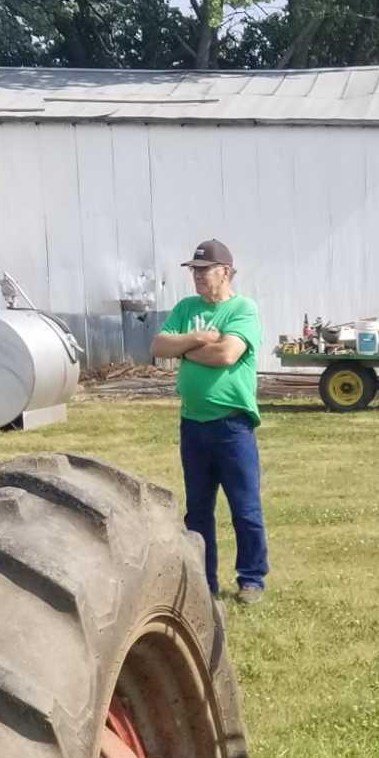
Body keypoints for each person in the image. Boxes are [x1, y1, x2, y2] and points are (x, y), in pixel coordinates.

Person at [152, 239, 268, 603]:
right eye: (194, 271)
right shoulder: (187, 308)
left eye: (205, 271)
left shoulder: (242, 309)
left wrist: (183, 349)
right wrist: (198, 337)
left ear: (226, 272)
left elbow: (226, 355)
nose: (198, 277)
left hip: (232, 426)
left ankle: (251, 579)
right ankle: (205, 583)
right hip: (193, 424)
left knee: (245, 507)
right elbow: (158, 347)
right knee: (198, 510)